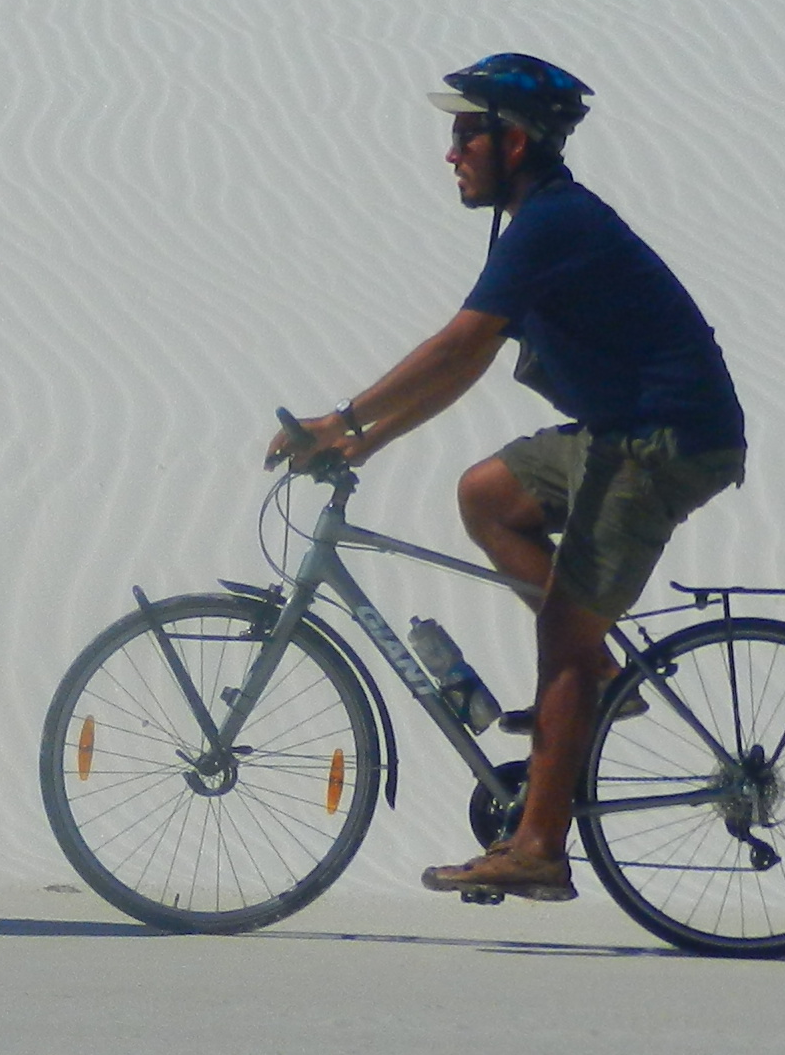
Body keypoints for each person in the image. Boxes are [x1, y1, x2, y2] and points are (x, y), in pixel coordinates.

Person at [270, 52, 747, 903]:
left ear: (515, 142)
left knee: (562, 636)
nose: (451, 154)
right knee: (489, 493)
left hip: (666, 441)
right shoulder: (536, 223)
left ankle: (538, 847)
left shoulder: (553, 224)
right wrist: (366, 444)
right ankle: (597, 677)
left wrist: (339, 421)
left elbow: (457, 344)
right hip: (621, 431)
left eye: (465, 136)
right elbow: (471, 362)